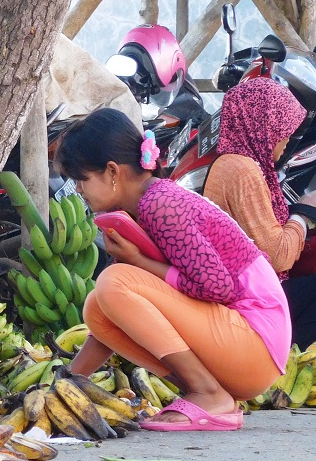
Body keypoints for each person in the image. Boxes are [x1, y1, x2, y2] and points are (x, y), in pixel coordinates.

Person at [56, 108, 290, 431]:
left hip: (257, 341)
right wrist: (65, 384)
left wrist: (138, 261)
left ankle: (208, 393)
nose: (78, 190)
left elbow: (217, 287)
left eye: (82, 179)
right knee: (99, 307)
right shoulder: (135, 209)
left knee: (113, 283)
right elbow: (114, 317)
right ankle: (209, 392)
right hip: (240, 343)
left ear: (112, 172)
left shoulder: (160, 203)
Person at [202, 78, 316, 349]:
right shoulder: (242, 171)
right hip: (246, 300)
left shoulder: (234, 161)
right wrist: (303, 213)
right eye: (282, 129)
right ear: (262, 125)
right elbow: (278, 257)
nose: (287, 139)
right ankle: (283, 358)